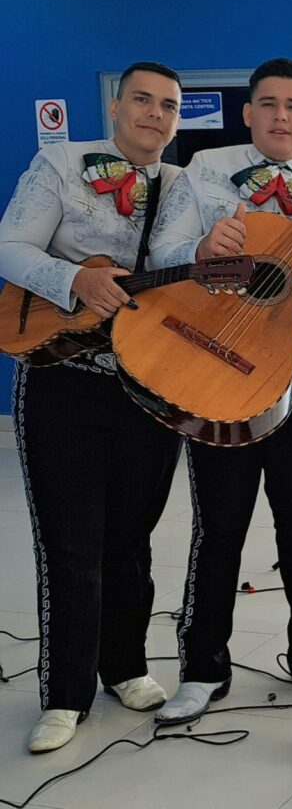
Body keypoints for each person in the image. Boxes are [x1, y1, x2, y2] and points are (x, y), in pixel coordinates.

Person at [147, 57, 292, 724]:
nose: (282, 117)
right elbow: (159, 256)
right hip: (222, 371)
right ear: (248, 113)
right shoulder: (204, 170)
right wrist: (204, 243)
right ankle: (201, 669)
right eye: (270, 104)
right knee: (219, 529)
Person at [0, 62, 185, 752]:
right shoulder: (59, 165)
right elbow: (9, 248)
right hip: (61, 377)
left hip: (148, 386)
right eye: (142, 99)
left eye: (168, 106)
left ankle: (126, 666)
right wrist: (73, 276)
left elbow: (181, 264)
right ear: (115, 107)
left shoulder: (181, 186)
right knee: (71, 543)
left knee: (131, 538)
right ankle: (65, 694)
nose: (155, 114)